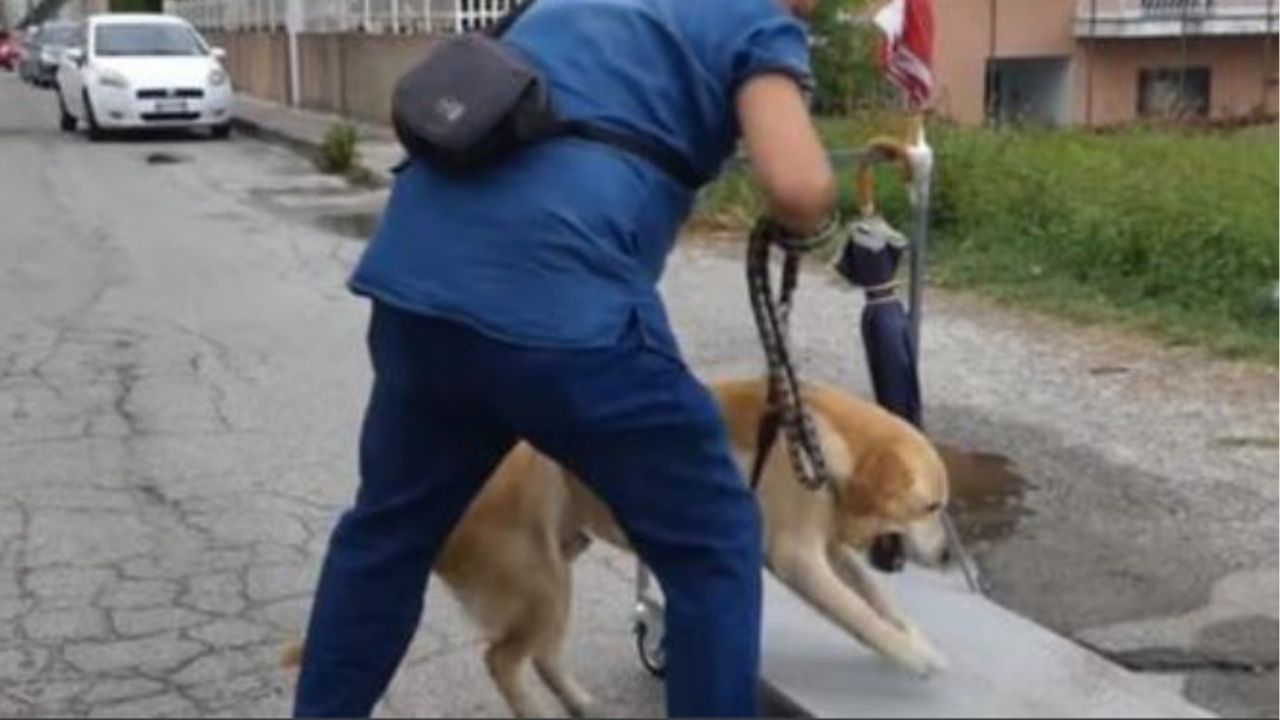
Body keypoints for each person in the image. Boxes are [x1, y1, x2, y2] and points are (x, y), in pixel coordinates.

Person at [293, 0, 835, 716]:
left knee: (387, 532)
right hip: (567, 321)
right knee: (714, 544)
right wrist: (821, 217)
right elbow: (796, 186)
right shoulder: (755, 22)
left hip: (418, 289)